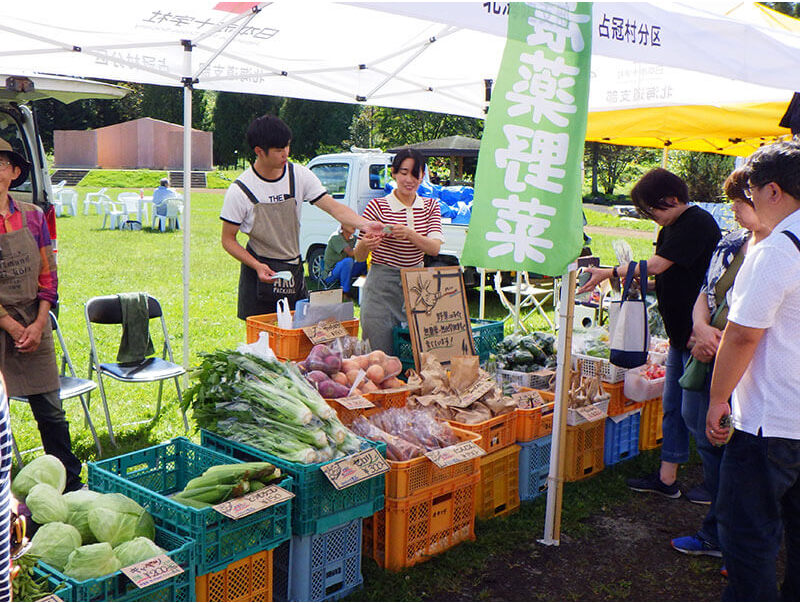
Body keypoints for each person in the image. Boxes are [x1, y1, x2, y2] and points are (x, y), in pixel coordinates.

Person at [579, 168, 721, 499]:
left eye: (651, 210)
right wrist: (646, 284)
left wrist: (609, 272)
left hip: (698, 339)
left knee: (697, 416)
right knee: (673, 409)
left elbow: (657, 265)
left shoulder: (696, 223)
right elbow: (670, 274)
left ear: (671, 200)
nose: (652, 218)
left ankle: (717, 488)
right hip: (678, 336)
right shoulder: (672, 227)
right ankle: (666, 479)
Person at [706, 140, 800, 601]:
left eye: (753, 189)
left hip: (771, 419)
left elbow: (743, 335)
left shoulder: (779, 248)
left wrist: (718, 397)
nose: (752, 199)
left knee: (749, 536)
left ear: (774, 192)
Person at [670, 168, 771, 564]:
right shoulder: (731, 243)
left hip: (750, 369)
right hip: (709, 356)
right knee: (707, 441)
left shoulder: (782, 250)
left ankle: (733, 542)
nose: (736, 213)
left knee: (741, 454)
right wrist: (700, 328)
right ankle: (717, 531)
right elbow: (705, 293)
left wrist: (724, 338)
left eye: (741, 204)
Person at [220, 115, 384, 320]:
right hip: (260, 270)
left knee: (297, 335)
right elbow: (228, 239)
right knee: (261, 346)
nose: (286, 154)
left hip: (293, 268)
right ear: (259, 152)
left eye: (287, 147)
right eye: (279, 150)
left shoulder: (298, 175)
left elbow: (333, 207)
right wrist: (256, 265)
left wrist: (365, 224)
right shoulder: (241, 190)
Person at [0, 137, 82, 492]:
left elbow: (48, 274)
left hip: (36, 319)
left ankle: (70, 482)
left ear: (15, 172)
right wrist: (10, 324)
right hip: (3, 322)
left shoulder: (33, 216)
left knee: (50, 411)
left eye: (1, 163)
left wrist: (38, 322)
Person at [355, 148, 444, 354]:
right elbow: (358, 255)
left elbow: (434, 248)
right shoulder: (377, 206)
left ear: (423, 176)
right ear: (394, 173)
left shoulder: (431, 206)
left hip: (417, 286)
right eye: (403, 173)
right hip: (381, 286)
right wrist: (365, 245)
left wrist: (410, 234)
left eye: (415, 174)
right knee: (378, 354)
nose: (409, 180)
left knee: (416, 355)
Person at [322, 225, 367, 298]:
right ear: (342, 227)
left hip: (346, 270)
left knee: (364, 261)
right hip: (331, 272)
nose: (353, 226)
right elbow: (350, 252)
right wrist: (363, 244)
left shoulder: (353, 239)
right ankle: (345, 292)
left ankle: (364, 289)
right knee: (348, 261)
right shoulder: (336, 237)